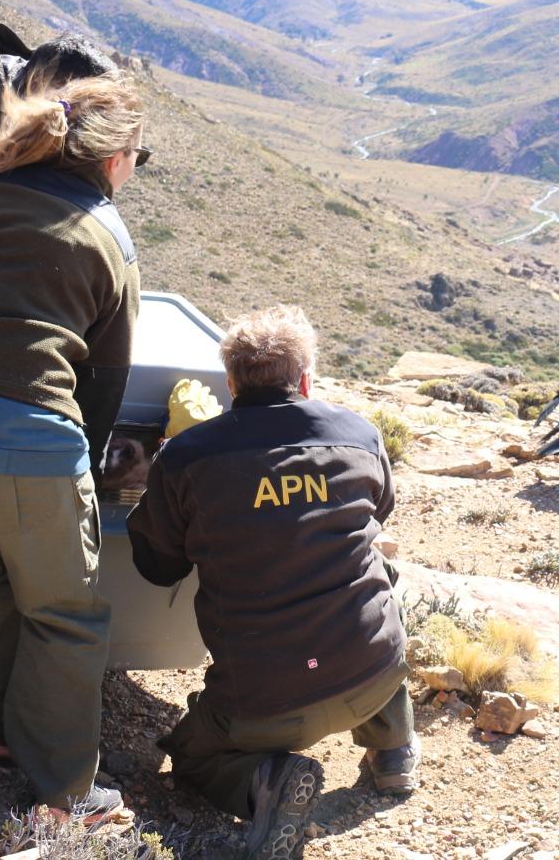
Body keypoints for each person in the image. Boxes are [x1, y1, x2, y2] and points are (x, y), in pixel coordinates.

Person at [127, 305, 417, 860]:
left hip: (264, 704)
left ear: (231, 383)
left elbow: (156, 565)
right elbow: (381, 509)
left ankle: (270, 781)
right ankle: (393, 751)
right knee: (372, 582)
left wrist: (177, 458)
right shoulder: (359, 434)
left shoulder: (189, 455)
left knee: (190, 756)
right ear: (305, 378)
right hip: (374, 671)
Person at [0, 69, 147, 820]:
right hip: (30, 443)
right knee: (63, 614)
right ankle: (66, 793)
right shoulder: (106, 233)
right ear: (115, 159)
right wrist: (96, 479)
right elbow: (103, 387)